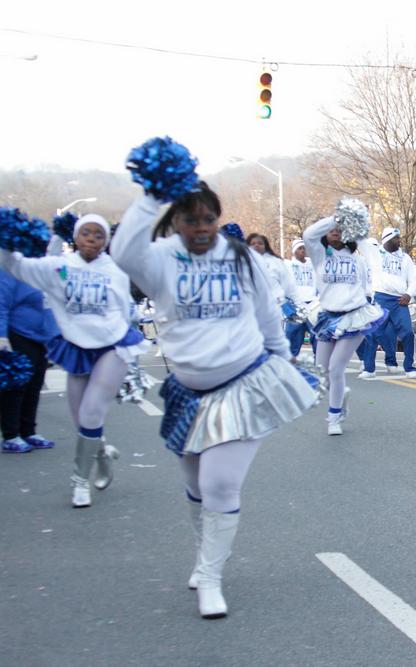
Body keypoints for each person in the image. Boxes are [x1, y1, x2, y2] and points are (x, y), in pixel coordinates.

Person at [113, 180, 315, 619]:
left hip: (244, 383)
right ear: (175, 221)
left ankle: (210, 576)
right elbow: (124, 252)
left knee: (220, 484)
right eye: (190, 220)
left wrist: (281, 363)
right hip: (187, 391)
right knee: (194, 484)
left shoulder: (240, 256)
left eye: (209, 219)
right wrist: (152, 193)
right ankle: (206, 554)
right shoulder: (159, 258)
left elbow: (265, 313)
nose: (202, 228)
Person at [2, 214, 145, 506]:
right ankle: (102, 453)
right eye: (86, 233)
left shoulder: (115, 271)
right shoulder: (59, 266)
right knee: (81, 420)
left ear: (106, 241)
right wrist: (7, 238)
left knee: (92, 411)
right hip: (76, 347)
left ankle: (80, 482)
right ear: (76, 237)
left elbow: (127, 309)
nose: (91, 240)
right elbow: (15, 265)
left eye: (98, 235)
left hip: (112, 346)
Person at [303, 202, 388, 435]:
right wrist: (338, 217)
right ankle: (340, 397)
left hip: (353, 317)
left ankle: (334, 418)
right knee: (323, 373)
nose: (335, 231)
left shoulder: (358, 259)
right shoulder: (318, 255)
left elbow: (364, 284)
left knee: (336, 367)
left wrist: (355, 221)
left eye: (341, 228)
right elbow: (309, 234)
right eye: (332, 228)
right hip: (327, 317)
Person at [0, 267, 59, 452]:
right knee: (17, 386)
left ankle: (28, 432)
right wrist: (2, 336)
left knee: (35, 385)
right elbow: (1, 304)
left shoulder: (42, 268)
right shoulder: (11, 269)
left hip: (40, 338)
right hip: (17, 334)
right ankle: (11, 435)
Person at [358, 228, 416, 378]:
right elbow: (358, 239)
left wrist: (409, 294)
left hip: (400, 301)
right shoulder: (374, 253)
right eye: (396, 238)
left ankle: (409, 368)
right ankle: (369, 369)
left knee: (408, 333)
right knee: (373, 334)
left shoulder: (405, 258)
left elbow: (415, 279)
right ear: (387, 240)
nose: (399, 240)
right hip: (380, 298)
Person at [285, 239, 319, 364]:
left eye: (304, 248)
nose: (302, 251)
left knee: (317, 335)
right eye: (299, 248)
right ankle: (289, 362)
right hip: (296, 306)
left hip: (312, 305)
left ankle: (319, 361)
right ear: (294, 251)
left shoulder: (313, 264)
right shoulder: (288, 265)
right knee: (293, 336)